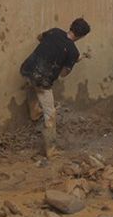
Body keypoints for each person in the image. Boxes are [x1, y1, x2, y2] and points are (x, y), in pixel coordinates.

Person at [20, 18, 91, 157]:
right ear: (81, 36)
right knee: (50, 114)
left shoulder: (55, 31)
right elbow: (64, 74)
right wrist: (69, 62)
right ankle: (51, 149)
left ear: (71, 26)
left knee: (32, 85)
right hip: (42, 81)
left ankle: (34, 111)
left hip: (26, 69)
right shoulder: (73, 51)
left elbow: (40, 37)